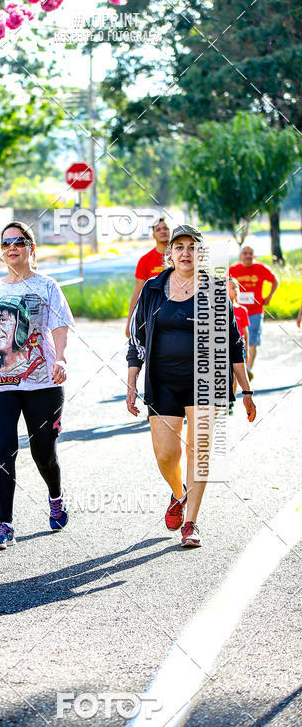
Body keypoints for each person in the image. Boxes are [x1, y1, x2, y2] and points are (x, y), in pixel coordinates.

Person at [126, 225, 256, 548]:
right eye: (179, 247)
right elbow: (137, 339)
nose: (186, 253)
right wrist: (131, 382)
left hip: (205, 380)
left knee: (199, 450)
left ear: (201, 254)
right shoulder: (154, 289)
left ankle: (191, 522)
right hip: (162, 381)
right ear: (169, 253)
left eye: (192, 247)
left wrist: (247, 390)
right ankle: (178, 492)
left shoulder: (215, 291)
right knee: (165, 455)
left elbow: (233, 343)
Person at [0, 221, 74, 550]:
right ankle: (4, 524)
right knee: (3, 451)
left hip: (42, 383)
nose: (11, 248)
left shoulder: (47, 286)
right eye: (5, 243)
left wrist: (60, 359)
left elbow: (60, 326)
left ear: (31, 248)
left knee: (43, 453)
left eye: (19, 242)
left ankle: (56, 496)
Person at [229, 246, 279, 379]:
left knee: (252, 339)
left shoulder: (260, 268)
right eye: (245, 253)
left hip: (255, 311)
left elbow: (275, 280)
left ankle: (248, 368)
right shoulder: (233, 270)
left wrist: (269, 297)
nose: (247, 256)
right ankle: (237, 365)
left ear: (254, 256)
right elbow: (224, 284)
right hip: (237, 311)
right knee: (237, 338)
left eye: (250, 253)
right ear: (240, 255)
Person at [125, 216, 170, 337]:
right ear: (153, 235)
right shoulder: (145, 260)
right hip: (153, 314)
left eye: (165, 228)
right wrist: (130, 322)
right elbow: (138, 292)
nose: (163, 231)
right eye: (158, 229)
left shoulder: (180, 257)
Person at [228, 276, 249, 405]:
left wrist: (248, 352)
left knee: (235, 375)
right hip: (224, 346)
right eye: (231, 287)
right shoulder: (217, 309)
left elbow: (245, 332)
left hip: (238, 347)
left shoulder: (242, 310)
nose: (235, 290)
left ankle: (231, 400)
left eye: (236, 287)